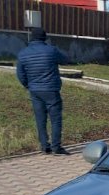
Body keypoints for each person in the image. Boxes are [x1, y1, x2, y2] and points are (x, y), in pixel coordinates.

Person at [16, 27, 70, 155]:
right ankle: (56, 147)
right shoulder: (51, 51)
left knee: (40, 118)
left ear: (31, 38)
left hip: (35, 90)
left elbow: (20, 74)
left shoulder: (23, 53)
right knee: (55, 119)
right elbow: (66, 60)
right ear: (45, 38)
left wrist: (28, 85)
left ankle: (45, 146)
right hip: (51, 89)